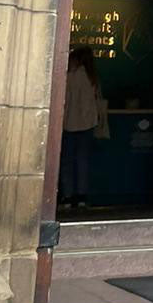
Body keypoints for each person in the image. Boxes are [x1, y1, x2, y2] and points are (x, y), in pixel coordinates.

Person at [60, 46, 103, 210]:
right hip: (87, 123)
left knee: (67, 161)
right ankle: (82, 196)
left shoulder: (69, 77)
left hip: (69, 123)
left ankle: (67, 196)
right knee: (83, 160)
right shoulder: (92, 78)